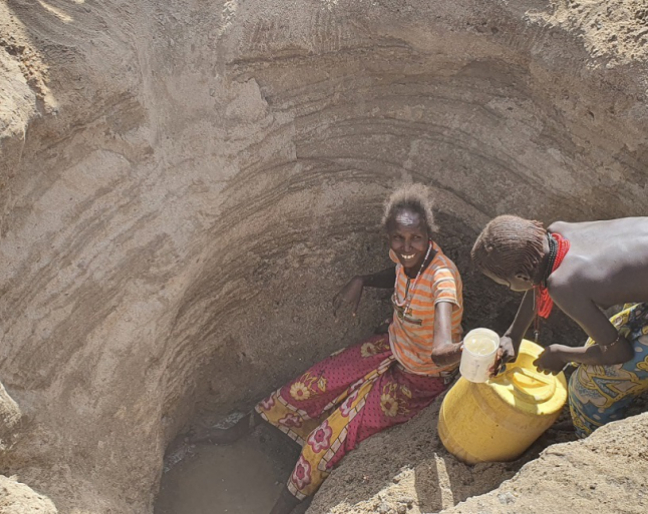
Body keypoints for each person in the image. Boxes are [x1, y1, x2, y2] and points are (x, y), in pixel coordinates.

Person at [191, 184, 464, 514]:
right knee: (309, 385)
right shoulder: (405, 258)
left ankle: (281, 507)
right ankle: (235, 431)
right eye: (398, 239)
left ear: (429, 236)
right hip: (389, 350)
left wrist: (465, 352)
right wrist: (362, 279)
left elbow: (444, 341)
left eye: (415, 239)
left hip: (417, 380)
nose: (407, 248)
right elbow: (398, 273)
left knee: (330, 439)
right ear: (389, 237)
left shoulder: (442, 278)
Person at [470, 215, 648, 438]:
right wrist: (513, 335)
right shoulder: (557, 233)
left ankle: (598, 439)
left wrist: (560, 354)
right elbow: (537, 282)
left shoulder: (564, 285)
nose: (510, 287)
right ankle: (607, 411)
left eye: (507, 284)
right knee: (600, 343)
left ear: (520, 276)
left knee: (585, 388)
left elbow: (619, 352)